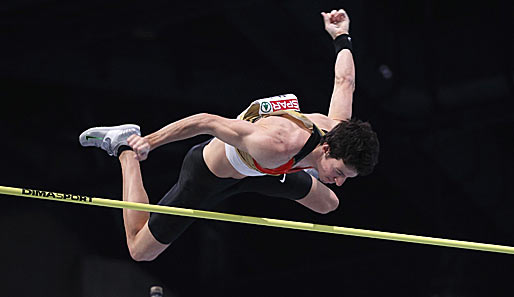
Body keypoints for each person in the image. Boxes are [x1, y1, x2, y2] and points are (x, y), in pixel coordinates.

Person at [79, 9, 379, 261]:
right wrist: (148, 142)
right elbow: (205, 121)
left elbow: (345, 82)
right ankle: (124, 149)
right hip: (210, 176)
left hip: (263, 172)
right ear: (326, 150)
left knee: (329, 203)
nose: (339, 181)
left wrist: (341, 36)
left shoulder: (336, 128)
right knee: (140, 250)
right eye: (339, 173)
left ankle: (267, 174)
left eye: (345, 177)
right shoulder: (274, 142)